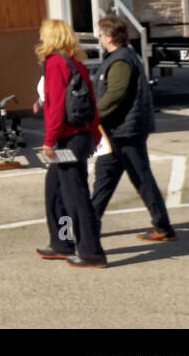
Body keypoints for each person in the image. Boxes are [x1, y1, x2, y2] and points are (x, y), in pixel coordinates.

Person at [90, 15, 176, 242]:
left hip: (126, 131)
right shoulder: (119, 57)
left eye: (100, 35)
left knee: (141, 177)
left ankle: (163, 226)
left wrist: (93, 115)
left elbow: (116, 94)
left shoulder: (120, 60)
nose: (99, 39)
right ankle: (89, 225)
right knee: (104, 178)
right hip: (117, 132)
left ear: (108, 37)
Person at [35, 18, 107, 268]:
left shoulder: (55, 63)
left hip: (68, 137)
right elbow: (92, 100)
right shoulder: (77, 63)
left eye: (44, 35)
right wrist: (94, 133)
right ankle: (62, 242)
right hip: (82, 135)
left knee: (75, 195)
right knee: (56, 191)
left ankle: (91, 251)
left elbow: (56, 107)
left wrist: (49, 140)